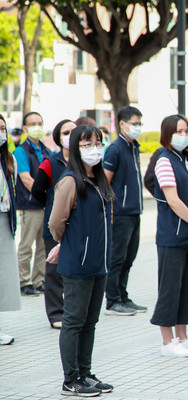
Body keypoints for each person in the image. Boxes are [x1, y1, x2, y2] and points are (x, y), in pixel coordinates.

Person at [47, 125, 114, 397]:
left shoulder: (99, 180)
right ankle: (70, 379)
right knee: (74, 321)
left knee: (90, 321)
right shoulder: (70, 181)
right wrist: (70, 244)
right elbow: (56, 222)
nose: (94, 148)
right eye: (87, 144)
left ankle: (85, 373)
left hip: (99, 263)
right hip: (79, 263)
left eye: (98, 142)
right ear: (75, 147)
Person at [150, 114, 188, 357]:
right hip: (172, 235)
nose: (183, 135)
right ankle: (167, 342)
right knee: (170, 288)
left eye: (186, 131)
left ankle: (183, 337)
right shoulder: (164, 161)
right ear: (167, 134)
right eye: (178, 131)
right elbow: (173, 200)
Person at [31, 119, 76, 329]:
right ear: (58, 138)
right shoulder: (51, 162)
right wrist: (50, 208)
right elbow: (37, 190)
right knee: (54, 271)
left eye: (74, 131)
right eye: (66, 132)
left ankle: (73, 310)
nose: (70, 135)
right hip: (55, 226)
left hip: (79, 227)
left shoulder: (85, 162)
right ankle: (56, 313)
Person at [102, 106, 146, 316]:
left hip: (134, 212)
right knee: (117, 258)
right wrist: (114, 205)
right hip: (119, 213)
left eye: (139, 124)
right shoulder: (115, 149)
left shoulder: (133, 147)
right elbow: (105, 182)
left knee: (129, 257)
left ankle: (123, 296)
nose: (137, 127)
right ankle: (112, 301)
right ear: (122, 124)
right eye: (134, 123)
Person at [13, 111, 51, 296]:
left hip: (46, 205)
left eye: (40, 122)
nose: (37, 126)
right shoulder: (21, 151)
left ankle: (39, 279)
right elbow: (26, 179)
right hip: (31, 204)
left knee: (44, 245)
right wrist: (43, 195)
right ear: (26, 128)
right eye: (33, 123)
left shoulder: (46, 150)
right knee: (26, 245)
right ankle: (24, 281)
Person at [0, 113, 20, 345]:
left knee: (3, 275)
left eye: (3, 128)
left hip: (5, 220)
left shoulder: (8, 159)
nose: (2, 132)